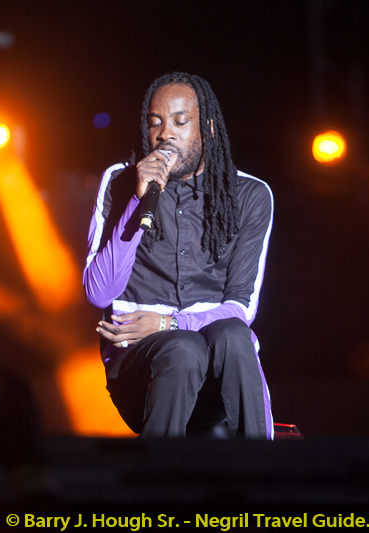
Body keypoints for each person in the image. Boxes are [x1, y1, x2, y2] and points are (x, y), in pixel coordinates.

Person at [83, 72, 274, 439]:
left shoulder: (250, 195)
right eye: (155, 122)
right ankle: (159, 470)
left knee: (234, 336)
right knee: (183, 349)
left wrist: (168, 323)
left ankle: (261, 463)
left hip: (217, 369)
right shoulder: (120, 182)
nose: (164, 134)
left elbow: (241, 308)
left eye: (180, 121)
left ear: (209, 129)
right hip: (142, 367)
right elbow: (100, 293)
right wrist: (137, 202)